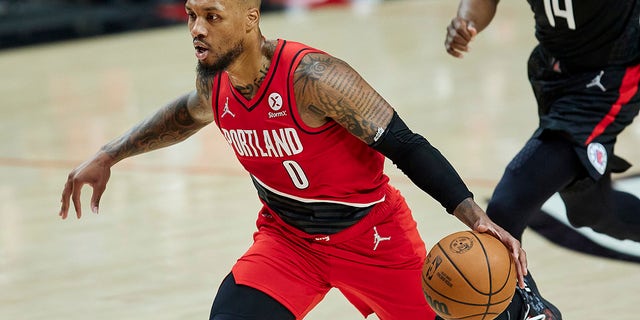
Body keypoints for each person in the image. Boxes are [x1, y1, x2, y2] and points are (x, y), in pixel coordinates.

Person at [59, 0, 551, 319]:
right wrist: (110, 153)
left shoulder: (312, 77)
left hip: (371, 238)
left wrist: (475, 216)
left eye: (212, 16)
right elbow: (186, 115)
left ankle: (527, 308)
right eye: (191, 15)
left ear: (250, 17)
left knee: (474, 299)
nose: (196, 29)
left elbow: (406, 145)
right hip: (288, 242)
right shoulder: (215, 79)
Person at [445, 0, 640, 317]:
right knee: (592, 211)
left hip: (610, 80)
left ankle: (534, 312)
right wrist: (466, 20)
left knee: (505, 210)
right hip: (554, 71)